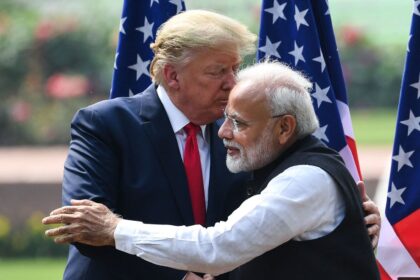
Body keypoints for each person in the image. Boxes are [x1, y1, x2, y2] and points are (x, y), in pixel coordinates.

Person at [44, 61, 380, 279]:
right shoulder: (273, 164)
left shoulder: (304, 180)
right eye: (226, 117)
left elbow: (217, 247)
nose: (222, 132)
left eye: (238, 122)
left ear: (284, 128)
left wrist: (115, 229)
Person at [59, 10, 256, 280]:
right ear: (172, 76)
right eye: (218, 71)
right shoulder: (104, 125)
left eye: (235, 69)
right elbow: (85, 227)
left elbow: (251, 228)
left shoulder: (238, 132)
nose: (233, 83)